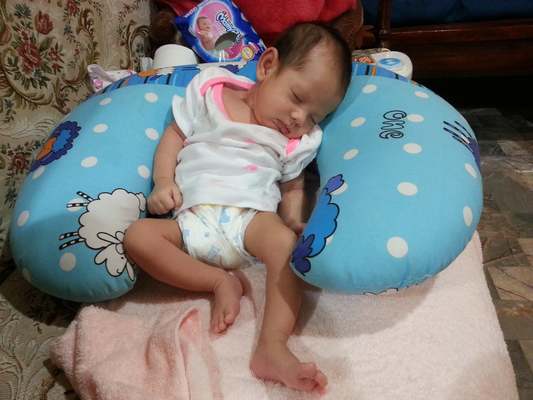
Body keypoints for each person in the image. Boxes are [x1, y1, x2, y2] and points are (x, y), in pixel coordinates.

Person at [124, 22, 352, 392]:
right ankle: (217, 281)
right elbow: (174, 136)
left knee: (286, 247)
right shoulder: (211, 90)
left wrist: (292, 218)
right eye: (297, 97)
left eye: (314, 116)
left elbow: (292, 183)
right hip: (192, 220)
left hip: (251, 222)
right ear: (267, 66)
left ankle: (272, 347)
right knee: (138, 236)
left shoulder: (296, 140)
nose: (300, 118)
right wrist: (163, 182)